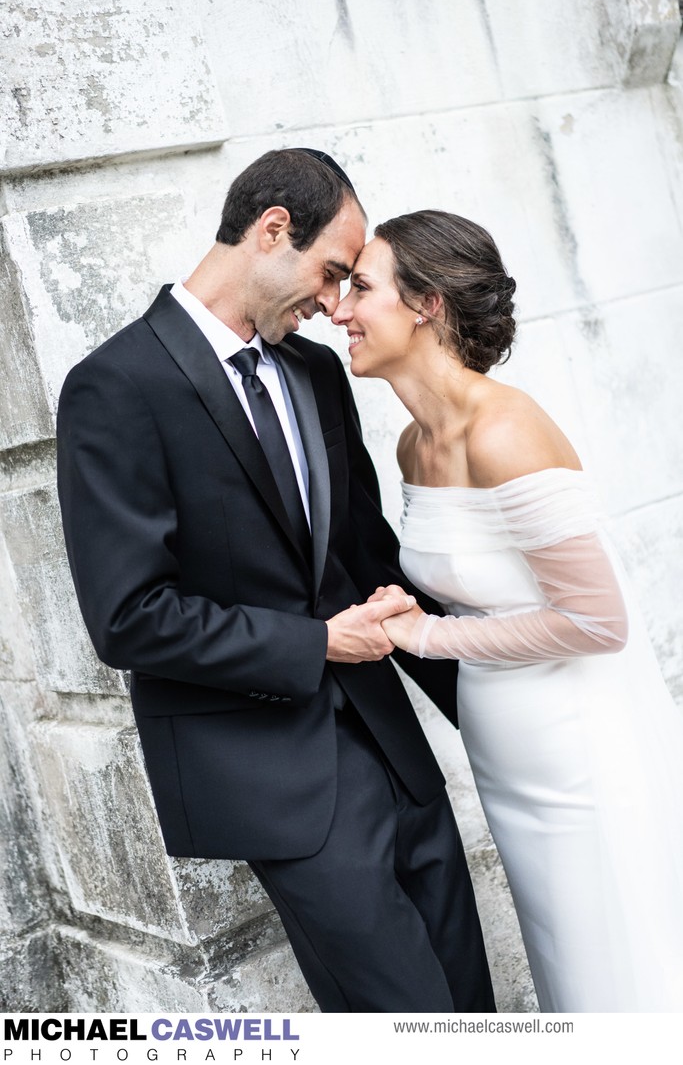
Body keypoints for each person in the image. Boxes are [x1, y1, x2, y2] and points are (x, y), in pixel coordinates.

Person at [56, 152, 495, 1013]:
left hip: (395, 753)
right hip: (277, 781)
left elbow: (365, 557)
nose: (337, 306)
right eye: (332, 273)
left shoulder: (316, 374)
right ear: (270, 231)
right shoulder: (114, 387)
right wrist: (316, 642)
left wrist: (492, 712)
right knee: (406, 1021)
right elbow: (128, 618)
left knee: (470, 1004)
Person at [332, 208, 683, 1012]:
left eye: (360, 288)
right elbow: (480, 585)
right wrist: (402, 604)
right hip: (506, 750)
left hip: (580, 752)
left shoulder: (506, 429)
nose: (340, 311)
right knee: (566, 968)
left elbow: (598, 620)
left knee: (619, 971)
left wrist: (423, 633)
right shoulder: (413, 446)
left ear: (426, 305)